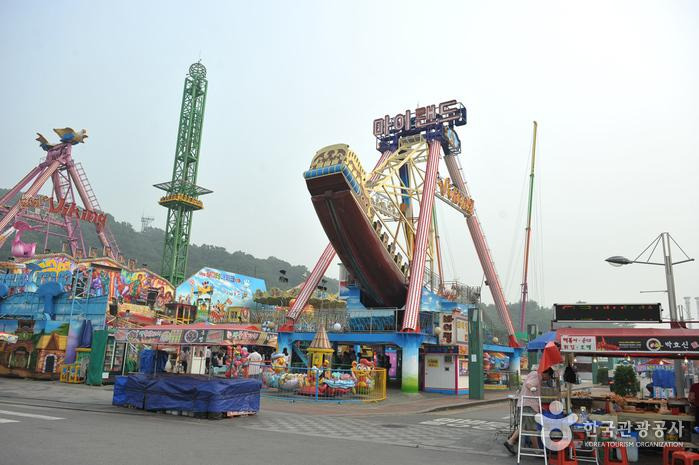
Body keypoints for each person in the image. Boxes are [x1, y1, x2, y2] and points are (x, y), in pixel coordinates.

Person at [504, 366, 553, 456]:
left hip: (526, 404)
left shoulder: (533, 373)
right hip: (529, 405)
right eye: (549, 376)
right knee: (531, 428)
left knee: (525, 426)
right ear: (546, 373)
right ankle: (536, 450)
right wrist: (532, 388)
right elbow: (529, 384)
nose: (548, 379)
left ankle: (510, 441)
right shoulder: (537, 376)